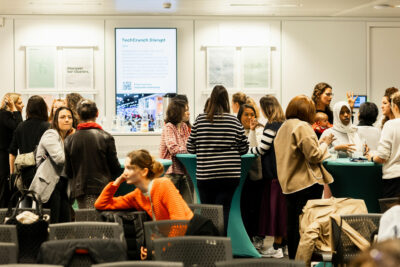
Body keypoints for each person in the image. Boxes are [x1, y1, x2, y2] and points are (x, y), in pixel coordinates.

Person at [274, 95, 334, 259]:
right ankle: (305, 258)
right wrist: (325, 142)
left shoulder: (283, 127)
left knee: (292, 224)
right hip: (306, 184)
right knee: (306, 225)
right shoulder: (302, 126)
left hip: (288, 184)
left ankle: (295, 259)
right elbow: (314, 155)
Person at [187, 85, 249, 235]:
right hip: (229, 175)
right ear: (226, 100)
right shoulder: (233, 121)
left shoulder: (200, 120)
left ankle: (209, 248)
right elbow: (244, 148)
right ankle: (222, 247)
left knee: (208, 213)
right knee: (223, 211)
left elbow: (190, 147)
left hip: (206, 175)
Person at [95, 149, 193, 221]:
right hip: (171, 240)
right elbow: (101, 204)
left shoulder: (163, 185)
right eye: (125, 168)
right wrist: (117, 181)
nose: (124, 173)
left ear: (144, 171)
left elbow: (180, 221)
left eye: (129, 168)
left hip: (193, 236)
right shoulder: (136, 196)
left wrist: (163, 247)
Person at [248, 95, 288, 258]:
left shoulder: (271, 126)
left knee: (274, 212)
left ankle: (277, 247)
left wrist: (245, 151)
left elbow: (262, 148)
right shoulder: (283, 124)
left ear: (266, 108)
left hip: (272, 175)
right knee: (282, 211)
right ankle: (283, 245)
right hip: (282, 174)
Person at [64, 99, 121, 208]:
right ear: (97, 113)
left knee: (85, 222)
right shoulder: (106, 137)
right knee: (100, 223)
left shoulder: (69, 140)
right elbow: (115, 167)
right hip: (103, 189)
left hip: (80, 190)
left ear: (77, 115)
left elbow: (68, 171)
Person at [30, 107, 76, 223]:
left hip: (63, 186)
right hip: (49, 186)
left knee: (65, 224)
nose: (67, 120)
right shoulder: (50, 134)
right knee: (51, 224)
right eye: (62, 117)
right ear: (56, 121)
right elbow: (60, 159)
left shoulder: (66, 138)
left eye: (69, 117)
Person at [237, 104, 264, 249]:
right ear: (240, 116)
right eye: (246, 114)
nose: (249, 117)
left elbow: (254, 149)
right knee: (243, 207)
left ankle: (256, 238)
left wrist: (252, 131)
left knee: (255, 207)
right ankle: (244, 238)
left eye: (252, 115)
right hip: (240, 175)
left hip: (256, 174)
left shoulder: (260, 130)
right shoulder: (236, 130)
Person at [9, 95, 50, 192]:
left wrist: (12, 175)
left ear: (28, 110)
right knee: (43, 205)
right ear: (43, 109)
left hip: (25, 172)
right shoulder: (48, 127)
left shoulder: (20, 126)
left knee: (26, 203)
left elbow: (12, 152)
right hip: (43, 173)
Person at [159, 99, 193, 203]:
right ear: (178, 112)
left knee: (187, 205)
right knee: (171, 205)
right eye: (185, 110)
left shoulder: (184, 126)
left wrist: (188, 148)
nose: (188, 113)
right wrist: (189, 149)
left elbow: (190, 145)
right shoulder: (169, 127)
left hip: (184, 171)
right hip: (170, 172)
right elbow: (173, 149)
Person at [367, 92, 400, 198]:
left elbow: (382, 157)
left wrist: (371, 157)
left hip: (394, 179)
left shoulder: (391, 125)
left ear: (394, 106)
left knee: (392, 214)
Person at [0, 93, 23, 207]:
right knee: (4, 189)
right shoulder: (4, 115)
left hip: (5, 155)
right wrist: (14, 109)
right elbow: (20, 127)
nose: (23, 105)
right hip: (3, 157)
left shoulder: (5, 115)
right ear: (10, 104)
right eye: (19, 103)